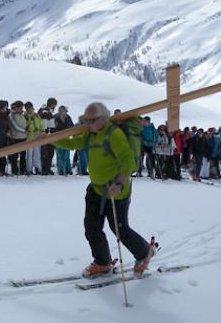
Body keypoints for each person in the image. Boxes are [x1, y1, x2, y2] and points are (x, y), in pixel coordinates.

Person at [53, 102, 155, 277]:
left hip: (116, 191)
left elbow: (128, 161)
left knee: (120, 229)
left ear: (103, 119)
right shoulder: (91, 134)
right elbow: (73, 144)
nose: (88, 124)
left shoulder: (113, 135)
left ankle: (144, 253)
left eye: (91, 120)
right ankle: (102, 262)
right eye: (86, 120)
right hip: (96, 189)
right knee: (91, 227)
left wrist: (120, 183)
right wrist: (48, 140)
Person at [7, 101, 27, 176]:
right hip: (15, 138)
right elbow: (15, 126)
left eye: (22, 108)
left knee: (23, 155)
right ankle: (14, 170)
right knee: (14, 156)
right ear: (16, 107)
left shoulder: (22, 115)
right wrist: (24, 131)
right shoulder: (11, 115)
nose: (21, 109)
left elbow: (24, 123)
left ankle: (23, 169)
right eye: (20, 108)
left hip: (23, 137)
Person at [38, 97, 58, 175]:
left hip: (50, 136)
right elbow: (44, 124)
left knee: (51, 152)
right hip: (44, 135)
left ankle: (48, 167)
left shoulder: (50, 112)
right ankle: (44, 168)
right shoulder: (44, 112)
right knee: (45, 153)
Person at [24, 102, 44, 175]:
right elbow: (25, 125)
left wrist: (42, 131)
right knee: (29, 154)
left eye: (30, 108)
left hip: (37, 136)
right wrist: (29, 121)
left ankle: (38, 168)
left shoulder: (36, 115)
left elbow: (40, 124)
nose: (29, 110)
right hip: (29, 136)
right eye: (28, 108)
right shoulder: (25, 116)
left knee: (37, 153)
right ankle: (29, 169)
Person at [54, 105, 74, 175]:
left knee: (67, 155)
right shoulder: (56, 118)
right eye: (59, 110)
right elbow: (55, 128)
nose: (61, 112)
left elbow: (72, 126)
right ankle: (61, 170)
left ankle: (68, 170)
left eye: (62, 110)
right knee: (60, 155)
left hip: (67, 138)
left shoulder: (68, 118)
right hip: (59, 139)